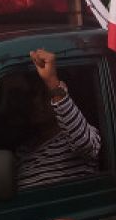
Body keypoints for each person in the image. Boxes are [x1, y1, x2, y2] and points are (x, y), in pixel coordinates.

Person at [15, 49, 101, 190]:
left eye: (43, 94)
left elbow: (84, 143)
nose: (34, 101)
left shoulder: (78, 137)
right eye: (32, 95)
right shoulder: (24, 150)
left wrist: (52, 83)